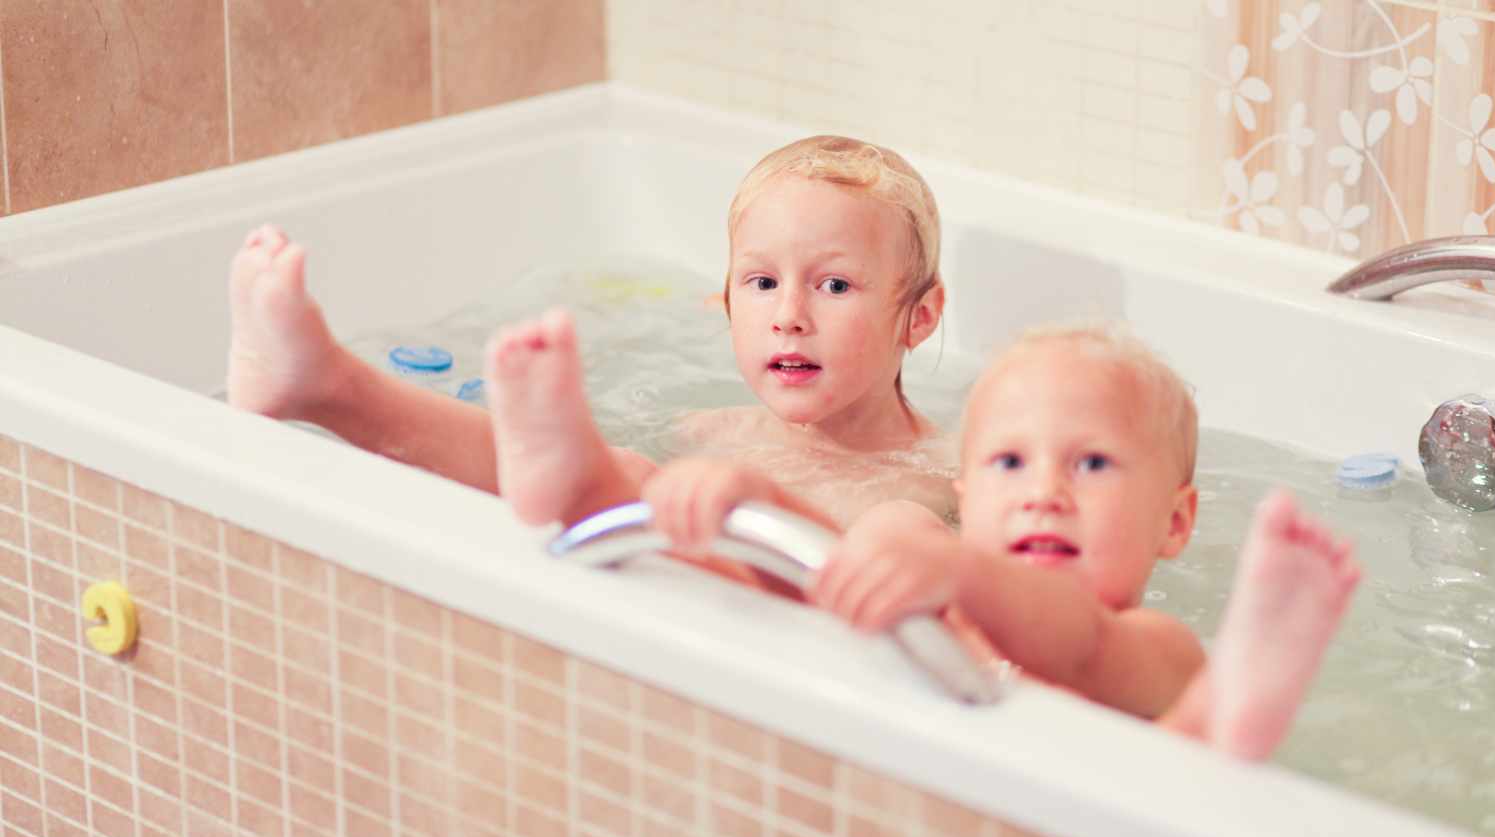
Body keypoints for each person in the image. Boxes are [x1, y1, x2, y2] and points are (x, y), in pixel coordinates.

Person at [643, 326, 1361, 759]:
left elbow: (1081, 648)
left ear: (1173, 524)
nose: (1044, 492)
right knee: (863, 556)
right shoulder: (944, 585)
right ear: (967, 497)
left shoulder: (1157, 646)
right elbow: (833, 576)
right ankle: (585, 474)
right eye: (1010, 463)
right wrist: (758, 502)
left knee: (1186, 737)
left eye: (1093, 464)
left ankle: (1232, 707)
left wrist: (959, 569)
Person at [225, 135, 954, 527]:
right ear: (726, 305)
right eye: (761, 283)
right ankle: (328, 386)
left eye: (833, 285)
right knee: (605, 470)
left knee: (623, 480)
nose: (789, 314)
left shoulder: (951, 477)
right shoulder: (710, 431)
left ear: (918, 317)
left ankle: (330, 385)